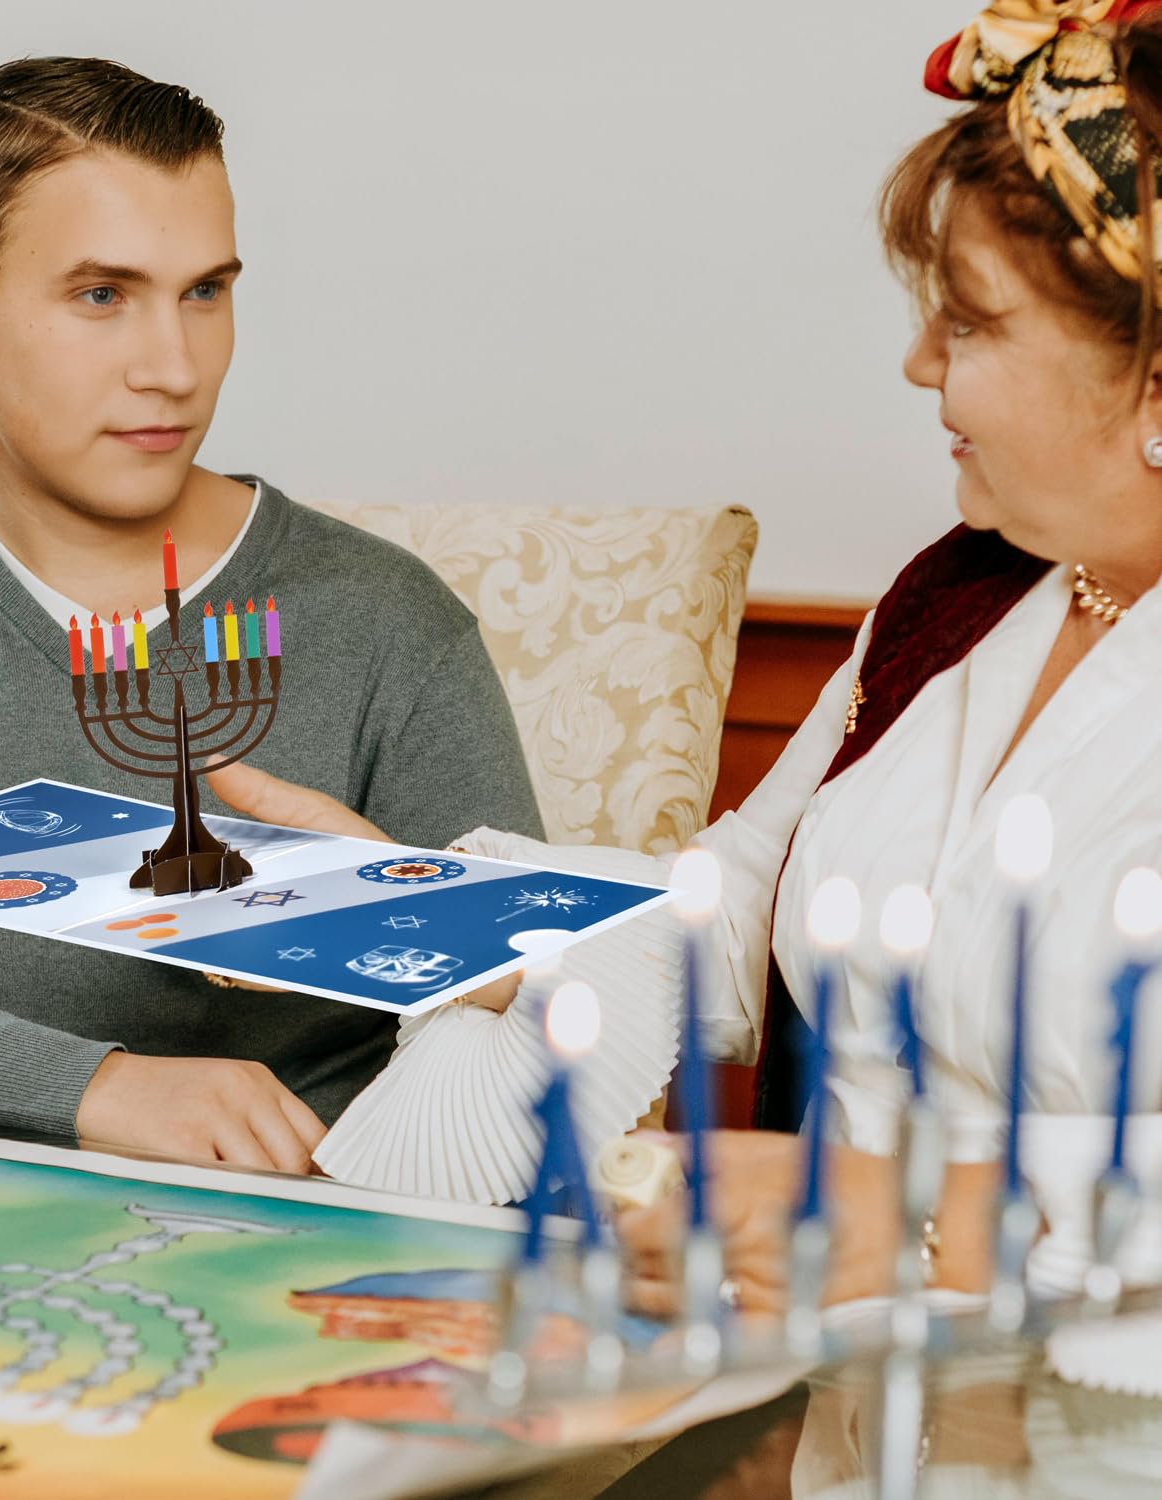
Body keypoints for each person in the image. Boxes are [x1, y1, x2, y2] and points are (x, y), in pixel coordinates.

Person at [216, 0, 1162, 1309]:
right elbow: (725, 918)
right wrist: (409, 907)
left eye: (976, 322)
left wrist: (908, 1224)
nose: (918, 361)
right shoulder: (955, 604)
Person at [0, 57, 542, 1174]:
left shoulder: (389, 623)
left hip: (317, 1241)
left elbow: (548, 1031)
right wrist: (84, 1086)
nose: (173, 368)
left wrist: (392, 924)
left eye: (205, 292)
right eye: (101, 296)